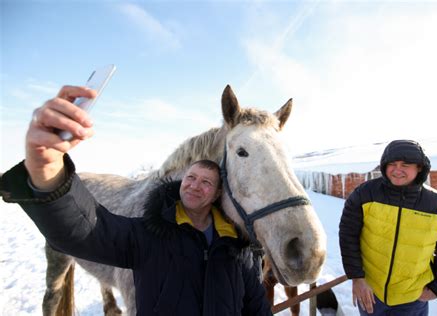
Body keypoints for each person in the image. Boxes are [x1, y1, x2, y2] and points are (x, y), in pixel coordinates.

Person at [0, 85, 272, 315]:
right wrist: (47, 176)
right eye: (189, 178)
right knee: (54, 287)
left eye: (206, 182)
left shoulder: (237, 251)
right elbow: (88, 232)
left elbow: (256, 306)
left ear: (217, 193)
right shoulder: (148, 233)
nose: (193, 186)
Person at [339, 139, 437, 316]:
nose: (397, 170)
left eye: (405, 165)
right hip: (371, 294)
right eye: (392, 164)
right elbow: (348, 236)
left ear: (420, 168)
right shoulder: (365, 194)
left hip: (412, 300)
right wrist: (357, 277)